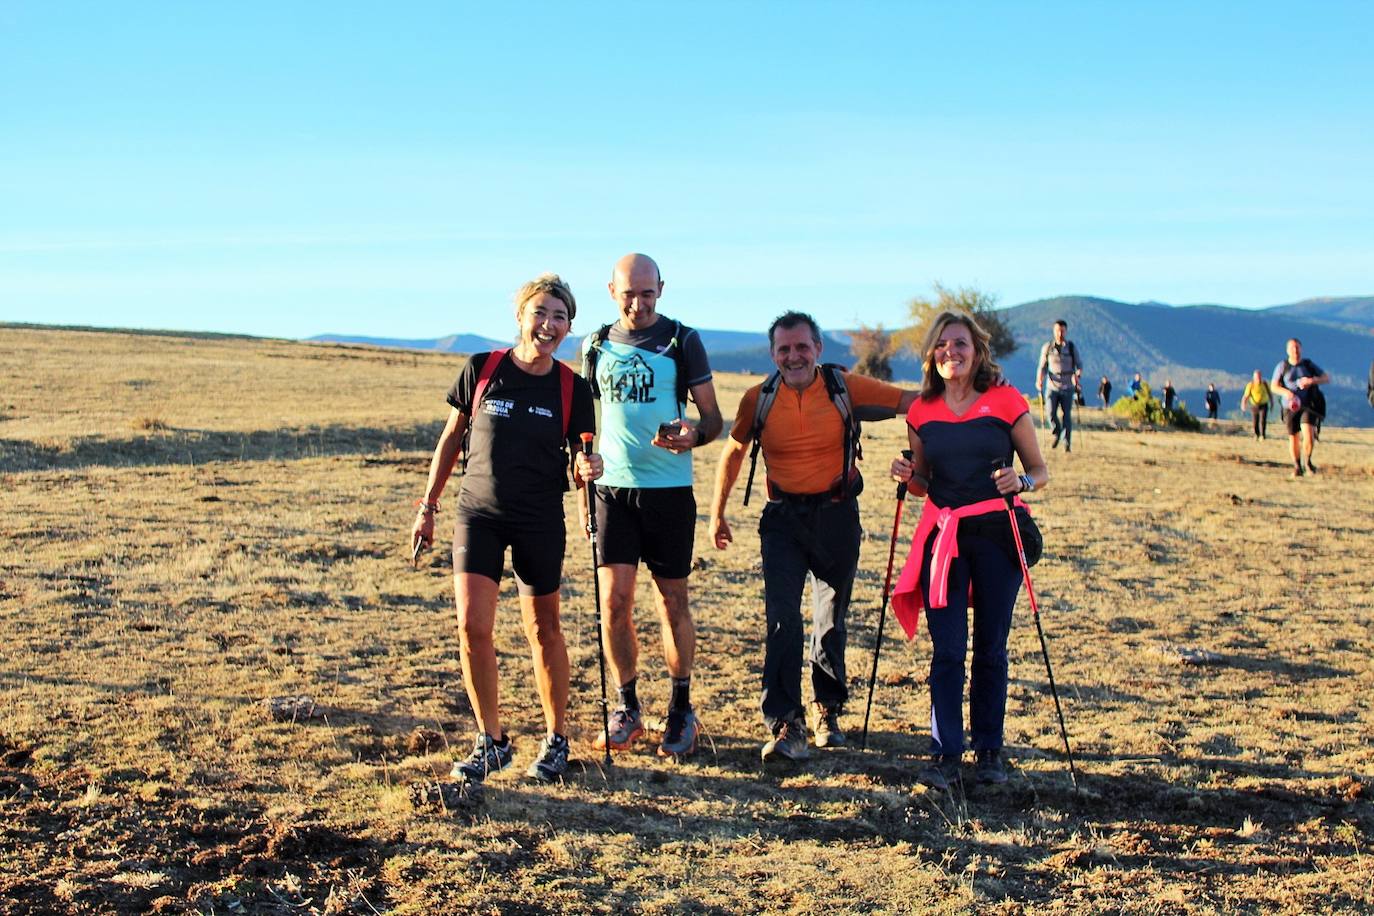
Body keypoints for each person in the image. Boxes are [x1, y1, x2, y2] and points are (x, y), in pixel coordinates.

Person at [411, 274, 601, 784]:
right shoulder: (483, 368)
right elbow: (451, 440)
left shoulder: (572, 388)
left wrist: (588, 471)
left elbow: (582, 458)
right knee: (473, 628)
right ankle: (491, 741)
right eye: (540, 312)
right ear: (520, 315)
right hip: (479, 514)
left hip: (540, 519)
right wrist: (427, 506)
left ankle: (556, 739)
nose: (549, 324)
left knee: (543, 630)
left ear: (568, 328)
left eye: (559, 317)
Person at [709, 311, 918, 762]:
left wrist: (937, 440)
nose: (794, 356)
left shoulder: (846, 389)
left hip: (838, 515)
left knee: (831, 618)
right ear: (772, 354)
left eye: (802, 346)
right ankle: (786, 722)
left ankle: (827, 709)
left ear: (819, 350)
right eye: (784, 349)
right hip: (782, 518)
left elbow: (912, 403)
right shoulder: (758, 398)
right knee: (782, 618)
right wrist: (717, 513)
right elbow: (734, 449)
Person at [888, 310, 1049, 788]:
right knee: (948, 650)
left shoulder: (1004, 400)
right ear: (931, 355)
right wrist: (907, 475)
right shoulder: (921, 411)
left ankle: (989, 751)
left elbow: (1039, 471)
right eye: (941, 345)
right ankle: (944, 754)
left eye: (959, 344)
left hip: (999, 535)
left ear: (976, 350)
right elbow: (923, 482)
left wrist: (1017, 480)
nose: (949, 353)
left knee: (991, 648)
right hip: (944, 539)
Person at [579, 253, 723, 758]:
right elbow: (585, 421)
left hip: (668, 492)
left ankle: (681, 709)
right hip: (612, 492)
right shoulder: (594, 345)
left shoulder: (683, 340)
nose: (638, 303)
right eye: (628, 293)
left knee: (671, 601)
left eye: (647, 293)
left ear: (660, 288)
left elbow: (713, 420)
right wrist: (582, 461)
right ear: (611, 290)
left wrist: (694, 435)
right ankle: (626, 707)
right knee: (614, 604)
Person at [1271, 337, 1330, 477]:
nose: (1295, 350)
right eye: (1292, 347)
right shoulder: (1282, 366)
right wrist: (1287, 393)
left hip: (1308, 405)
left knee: (1308, 434)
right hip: (1289, 407)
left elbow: (1326, 378)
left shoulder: (1308, 365)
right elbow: (1274, 386)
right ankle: (1297, 466)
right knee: (1294, 437)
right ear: (1287, 350)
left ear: (1301, 349)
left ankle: (1307, 461)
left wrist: (1312, 381)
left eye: (1297, 347)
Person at [1035, 319, 1082, 451]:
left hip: (1068, 386)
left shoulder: (1071, 347)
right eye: (1057, 330)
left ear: (1066, 331)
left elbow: (1079, 365)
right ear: (1053, 331)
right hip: (1052, 386)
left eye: (1062, 330)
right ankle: (1057, 431)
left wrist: (1077, 375)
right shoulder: (1047, 347)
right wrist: (1039, 379)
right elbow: (1042, 366)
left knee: (1066, 415)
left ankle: (1067, 443)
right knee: (1050, 412)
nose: (1059, 333)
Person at [1241, 370, 1270, 440]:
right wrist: (1243, 404)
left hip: (1264, 405)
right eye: (1257, 377)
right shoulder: (1250, 385)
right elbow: (1246, 396)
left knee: (1263, 420)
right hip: (1254, 406)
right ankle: (1256, 434)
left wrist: (1272, 403)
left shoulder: (1264, 384)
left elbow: (1270, 394)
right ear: (1254, 377)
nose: (1258, 378)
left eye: (1259, 376)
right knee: (1255, 421)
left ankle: (1263, 435)